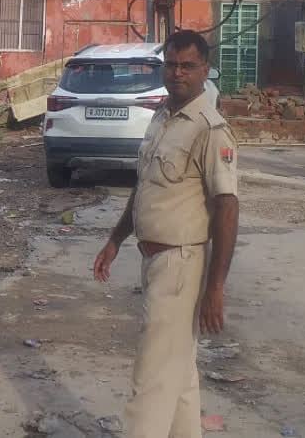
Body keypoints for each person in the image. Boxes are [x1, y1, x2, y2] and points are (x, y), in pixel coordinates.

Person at [92, 30, 240, 438]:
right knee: (180, 377)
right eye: (171, 65)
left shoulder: (210, 129)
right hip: (153, 258)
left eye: (188, 66)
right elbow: (145, 186)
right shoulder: (161, 117)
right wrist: (115, 238)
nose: (177, 73)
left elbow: (227, 207)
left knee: (152, 379)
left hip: (181, 263)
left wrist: (216, 287)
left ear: (205, 71)